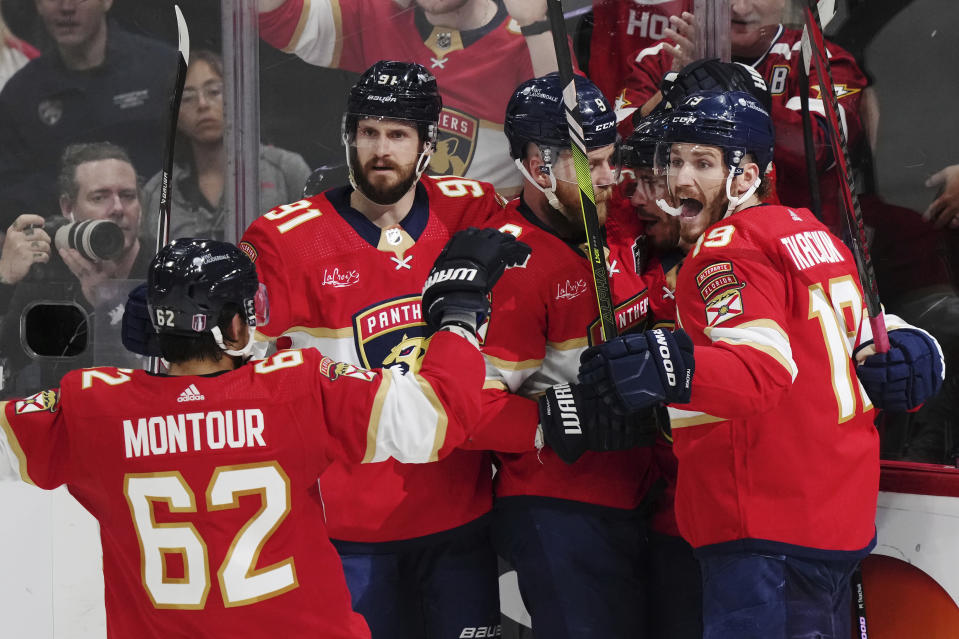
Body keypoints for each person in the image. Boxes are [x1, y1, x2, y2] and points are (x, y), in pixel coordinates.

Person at [0, 232, 524, 638]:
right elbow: (428, 421)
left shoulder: (94, 405)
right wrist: (457, 319)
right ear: (231, 327)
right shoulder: (294, 387)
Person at [577, 90, 945, 639]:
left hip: (761, 528)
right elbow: (876, 347)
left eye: (703, 163)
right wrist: (924, 350)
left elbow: (758, 374)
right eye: (675, 160)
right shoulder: (809, 231)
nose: (680, 181)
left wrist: (670, 369)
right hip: (836, 520)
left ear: (746, 176)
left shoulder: (723, 250)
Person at [239, 61, 512, 639]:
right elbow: (241, 370)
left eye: (397, 134)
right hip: (344, 529)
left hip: (460, 517)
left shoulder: (472, 211)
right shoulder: (284, 240)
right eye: (367, 132)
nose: (380, 149)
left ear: (428, 143)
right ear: (348, 136)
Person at [477, 72, 659, 639]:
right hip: (560, 510)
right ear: (536, 167)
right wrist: (552, 417)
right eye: (593, 164)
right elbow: (469, 407)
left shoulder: (608, 221)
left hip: (638, 490)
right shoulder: (513, 268)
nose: (611, 179)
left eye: (612, 159)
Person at [256, 0, 559, 194]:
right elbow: (275, 15)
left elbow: (576, 148)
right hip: (392, 250)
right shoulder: (376, 13)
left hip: (485, 258)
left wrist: (537, 27)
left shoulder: (527, 40)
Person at [617, 0, 867, 235]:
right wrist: (677, 85)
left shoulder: (819, 58)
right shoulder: (662, 57)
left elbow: (821, 149)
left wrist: (728, 87)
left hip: (788, 244)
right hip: (675, 244)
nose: (739, 7)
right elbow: (617, 150)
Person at [0, 0, 176, 223]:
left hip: (157, 237)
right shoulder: (22, 93)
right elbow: (9, 192)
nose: (66, 8)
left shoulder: (160, 69)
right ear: (37, 4)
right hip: (62, 244)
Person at [0, 142, 153, 397]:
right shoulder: (48, 267)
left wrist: (109, 302)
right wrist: (4, 280)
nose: (117, 208)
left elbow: (169, 378)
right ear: (67, 207)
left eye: (127, 196)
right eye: (99, 197)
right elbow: (8, 355)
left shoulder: (164, 269)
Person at [141, 50, 311, 242]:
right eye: (187, 97)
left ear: (238, 100)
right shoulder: (158, 192)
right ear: (176, 117)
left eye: (214, 92)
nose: (203, 104)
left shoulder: (285, 170)